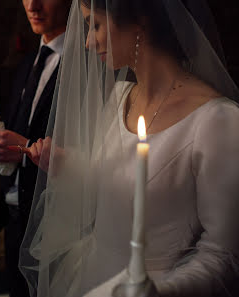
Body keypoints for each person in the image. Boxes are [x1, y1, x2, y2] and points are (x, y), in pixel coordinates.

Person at [19, 0, 239, 297]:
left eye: (94, 26)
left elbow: (223, 256)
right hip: (90, 274)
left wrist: (154, 291)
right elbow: (118, 189)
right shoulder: (120, 97)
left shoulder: (218, 121)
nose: (86, 42)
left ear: (140, 22)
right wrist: (70, 165)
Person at [0, 0, 71, 296]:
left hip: (57, 224)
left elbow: (88, 147)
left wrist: (22, 147)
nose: (33, 5)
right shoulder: (29, 62)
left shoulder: (86, 64)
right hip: (15, 218)